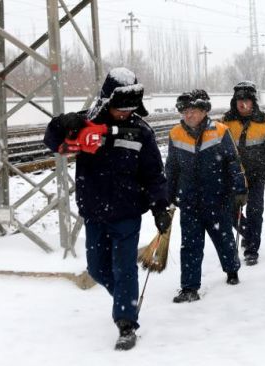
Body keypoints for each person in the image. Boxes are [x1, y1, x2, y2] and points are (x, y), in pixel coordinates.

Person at [44, 67, 171, 350]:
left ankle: (126, 322)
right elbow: (52, 141)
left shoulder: (141, 131)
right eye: (120, 108)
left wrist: (160, 207)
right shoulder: (85, 122)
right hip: (94, 211)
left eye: (129, 108)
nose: (125, 113)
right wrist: (63, 123)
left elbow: (153, 173)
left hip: (127, 212)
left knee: (125, 268)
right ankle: (126, 300)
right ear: (106, 100)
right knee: (99, 269)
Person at [165, 89, 247, 303]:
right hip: (189, 200)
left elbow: (233, 162)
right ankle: (189, 287)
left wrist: (239, 190)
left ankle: (231, 270)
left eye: (192, 111)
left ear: (203, 111)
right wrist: (168, 195)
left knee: (224, 238)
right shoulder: (175, 134)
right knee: (190, 244)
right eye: (184, 112)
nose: (188, 116)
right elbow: (171, 168)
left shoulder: (220, 131)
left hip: (217, 198)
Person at [221, 81, 265, 266]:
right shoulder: (225, 122)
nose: (243, 105)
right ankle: (249, 234)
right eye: (239, 101)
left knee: (255, 211)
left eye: (247, 101)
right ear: (234, 102)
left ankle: (252, 249)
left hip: (257, 174)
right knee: (231, 212)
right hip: (233, 175)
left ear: (253, 102)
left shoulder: (264, 122)